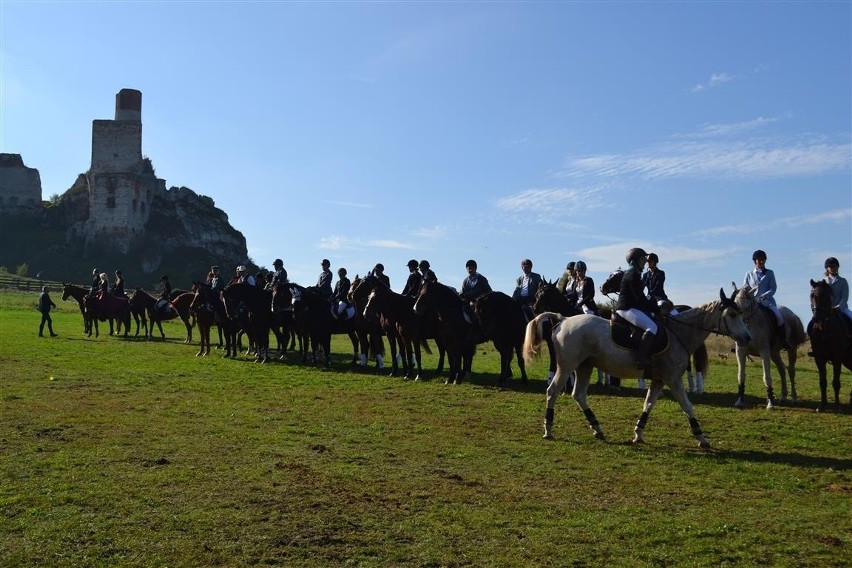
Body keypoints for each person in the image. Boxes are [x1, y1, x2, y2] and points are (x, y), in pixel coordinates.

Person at [615, 248, 659, 369]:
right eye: (643, 259)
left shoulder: (632, 272)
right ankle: (640, 358)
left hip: (629, 307)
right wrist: (656, 309)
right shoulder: (633, 274)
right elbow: (640, 298)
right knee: (652, 327)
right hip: (626, 309)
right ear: (636, 260)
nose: (645, 261)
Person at [743, 249, 788, 348]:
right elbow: (745, 289)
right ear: (755, 261)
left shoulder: (770, 273)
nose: (761, 261)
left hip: (767, 302)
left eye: (763, 260)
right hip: (752, 303)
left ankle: (782, 340)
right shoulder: (748, 274)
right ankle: (739, 342)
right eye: (759, 260)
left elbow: (773, 288)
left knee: (779, 318)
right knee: (741, 317)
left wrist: (763, 296)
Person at [824, 257, 852, 324]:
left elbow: (844, 297)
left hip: (842, 309)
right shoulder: (824, 282)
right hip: (827, 309)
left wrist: (838, 307)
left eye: (835, 266)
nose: (833, 268)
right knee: (812, 324)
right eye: (831, 267)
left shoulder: (843, 281)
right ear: (827, 268)